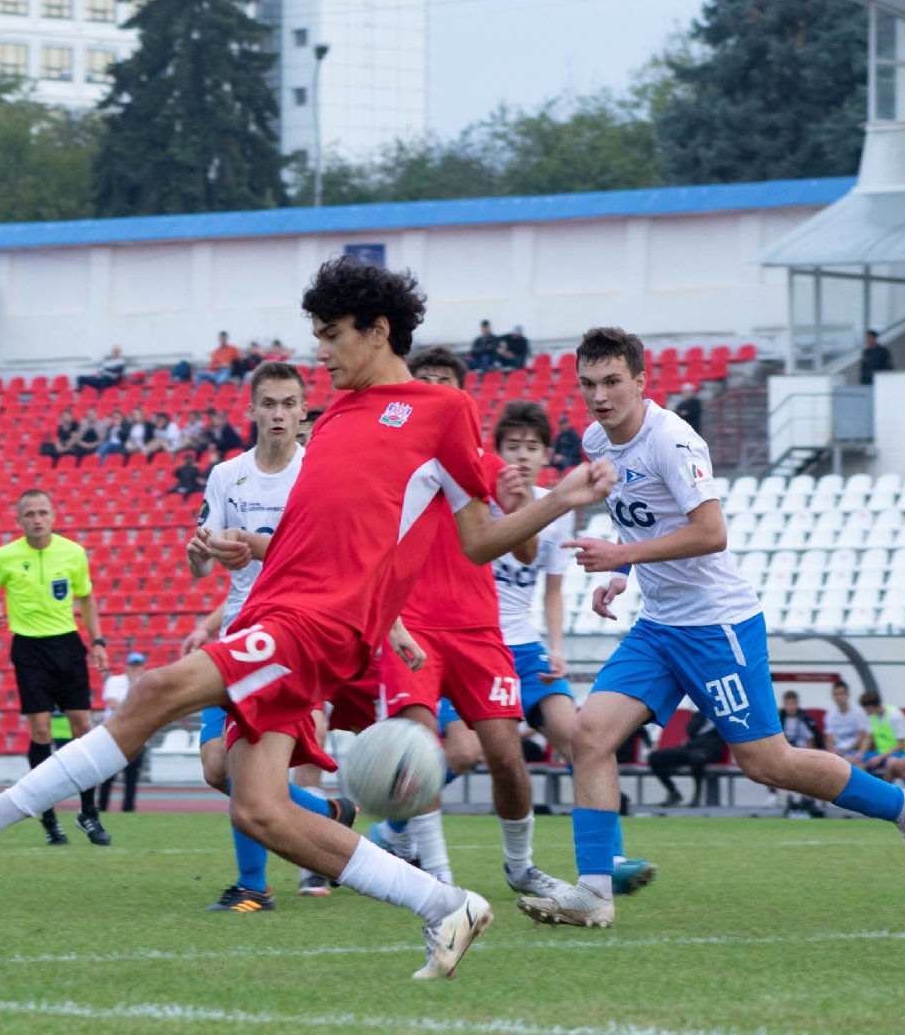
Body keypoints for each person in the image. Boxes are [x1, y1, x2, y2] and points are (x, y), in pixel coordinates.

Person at [0, 256, 617, 979]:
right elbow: (327, 525)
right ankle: (446, 906)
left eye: (332, 334)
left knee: (155, 691)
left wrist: (561, 498)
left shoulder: (442, 410)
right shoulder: (335, 412)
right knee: (258, 809)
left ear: (377, 331)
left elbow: (475, 540)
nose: (321, 351)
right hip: (276, 607)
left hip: (321, 621)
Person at [517, 326, 905, 932]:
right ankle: (593, 892)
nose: (600, 396)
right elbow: (642, 523)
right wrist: (623, 567)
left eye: (613, 381)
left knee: (766, 763)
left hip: (718, 625)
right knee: (589, 734)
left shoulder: (674, 441)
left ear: (640, 381)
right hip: (660, 626)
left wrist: (622, 559)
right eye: (589, 384)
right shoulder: (595, 439)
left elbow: (712, 532)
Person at [355, 349, 550, 900]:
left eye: (445, 384)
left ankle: (520, 866)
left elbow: (530, 552)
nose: (433, 390)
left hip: (478, 629)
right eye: (425, 382)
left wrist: (519, 505)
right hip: (410, 625)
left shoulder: (486, 467)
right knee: (420, 747)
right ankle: (439, 880)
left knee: (507, 758)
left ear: (461, 398)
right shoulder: (386, 463)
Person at [184, 360, 354, 909]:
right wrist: (199, 557)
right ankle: (325, 812)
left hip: (289, 635)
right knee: (216, 768)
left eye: (288, 404)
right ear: (251, 409)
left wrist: (258, 547)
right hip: (236, 631)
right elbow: (202, 565)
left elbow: (329, 558)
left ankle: (253, 888)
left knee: (242, 765)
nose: (278, 413)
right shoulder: (226, 475)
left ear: (304, 411)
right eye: (269, 404)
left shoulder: (320, 473)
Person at [482, 397, 653, 893]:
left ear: (544, 455)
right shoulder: (479, 498)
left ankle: (611, 858)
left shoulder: (557, 508)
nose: (520, 455)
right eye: (511, 446)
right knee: (463, 753)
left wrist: (555, 647)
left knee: (582, 737)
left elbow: (552, 591)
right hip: (480, 647)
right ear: (497, 451)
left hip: (526, 649)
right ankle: (396, 830)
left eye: (530, 447)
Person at [0, 488, 112, 846]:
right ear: (19, 520)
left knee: (84, 729)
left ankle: (88, 811)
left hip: (67, 645)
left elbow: (86, 598)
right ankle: (49, 817)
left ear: (53, 516)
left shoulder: (73, 553)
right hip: (29, 649)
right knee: (40, 734)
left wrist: (97, 641)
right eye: (30, 514)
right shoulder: (5, 557)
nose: (37, 519)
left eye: (42, 512)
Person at [97, 652, 147, 813]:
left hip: (136, 734)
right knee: (107, 776)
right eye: (132, 665)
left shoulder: (146, 684)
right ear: (126, 666)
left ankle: (128, 808)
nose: (135, 668)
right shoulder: (115, 680)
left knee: (131, 776)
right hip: (114, 734)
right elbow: (113, 704)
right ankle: (102, 807)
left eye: (137, 665)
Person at [647, 712, 726, 808]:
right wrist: (702, 717)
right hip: (690, 748)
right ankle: (673, 792)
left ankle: (697, 794)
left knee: (696, 758)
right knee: (655, 757)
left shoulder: (724, 716)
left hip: (711, 750)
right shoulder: (700, 715)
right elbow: (690, 732)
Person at [775, 690, 825, 814]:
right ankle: (780, 798)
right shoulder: (779, 719)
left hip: (802, 753)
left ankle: (807, 800)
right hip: (785, 753)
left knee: (808, 769)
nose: (790, 707)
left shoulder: (804, 719)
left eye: (793, 704)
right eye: (788, 704)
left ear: (797, 704)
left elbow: (811, 741)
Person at [858, 690, 905, 776]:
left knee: (891, 763)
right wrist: (860, 754)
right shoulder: (872, 716)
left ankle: (884, 789)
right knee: (856, 763)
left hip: (903, 753)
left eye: (866, 708)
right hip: (882, 753)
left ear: (871, 707)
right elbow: (868, 738)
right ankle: (870, 788)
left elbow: (901, 745)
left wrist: (879, 758)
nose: (865, 711)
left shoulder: (895, 715)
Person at [825, 679, 871, 767]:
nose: (838, 697)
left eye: (841, 694)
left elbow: (864, 737)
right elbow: (829, 741)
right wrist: (835, 755)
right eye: (836, 694)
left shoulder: (859, 712)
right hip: (838, 752)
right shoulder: (830, 714)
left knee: (859, 767)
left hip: (855, 751)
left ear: (848, 695)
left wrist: (859, 754)